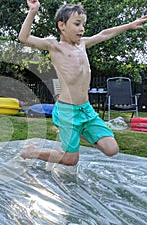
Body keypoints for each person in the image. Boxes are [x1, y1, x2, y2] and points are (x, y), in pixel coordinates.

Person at [19, 0, 147, 166]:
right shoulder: (54, 46)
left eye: (83, 24)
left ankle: (78, 132)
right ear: (62, 26)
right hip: (67, 111)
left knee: (111, 149)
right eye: (77, 24)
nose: (82, 29)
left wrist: (129, 25)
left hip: (85, 109)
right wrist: (33, 11)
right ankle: (33, 152)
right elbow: (24, 37)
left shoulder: (83, 44)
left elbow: (104, 34)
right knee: (70, 159)